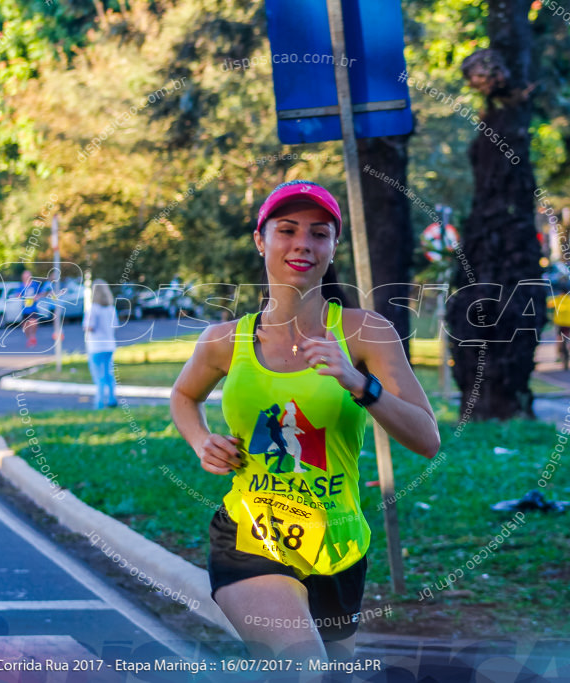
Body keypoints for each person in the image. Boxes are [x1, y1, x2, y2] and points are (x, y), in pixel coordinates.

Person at [170, 180, 440, 662]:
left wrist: (359, 384)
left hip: (339, 545)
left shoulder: (365, 332)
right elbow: (184, 396)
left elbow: (426, 439)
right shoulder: (223, 340)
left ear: (334, 247)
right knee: (304, 666)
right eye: (287, 229)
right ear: (261, 239)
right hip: (249, 536)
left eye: (319, 233)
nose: (303, 244)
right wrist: (200, 441)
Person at [84, 278, 118, 409]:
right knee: (109, 374)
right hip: (109, 345)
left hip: (96, 346)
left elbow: (89, 326)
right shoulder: (111, 309)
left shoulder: (93, 309)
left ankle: (99, 403)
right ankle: (111, 398)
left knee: (99, 376)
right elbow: (114, 326)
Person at [9, 269, 52, 348]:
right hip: (25, 309)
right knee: (25, 326)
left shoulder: (34, 285)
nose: (27, 277)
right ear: (23, 277)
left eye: (28, 276)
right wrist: (18, 296)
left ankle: (33, 337)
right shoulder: (21, 286)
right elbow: (17, 294)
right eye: (25, 276)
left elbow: (42, 293)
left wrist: (38, 296)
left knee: (33, 322)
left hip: (33, 308)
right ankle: (29, 338)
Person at [549, 284, 570, 369]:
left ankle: (558, 355)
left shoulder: (558, 299)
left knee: (559, 337)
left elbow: (549, 304)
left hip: (560, 323)